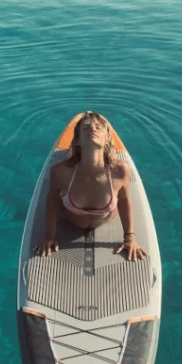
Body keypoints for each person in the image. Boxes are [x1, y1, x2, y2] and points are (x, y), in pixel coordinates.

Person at [34, 111, 147, 261]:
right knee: (74, 158)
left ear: (107, 138)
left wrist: (129, 238)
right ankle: (74, 151)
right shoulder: (60, 171)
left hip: (105, 211)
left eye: (98, 128)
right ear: (78, 139)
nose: (93, 129)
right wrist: (49, 237)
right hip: (70, 215)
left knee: (108, 159)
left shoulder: (120, 171)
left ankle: (108, 149)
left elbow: (124, 200)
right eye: (86, 128)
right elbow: (52, 200)